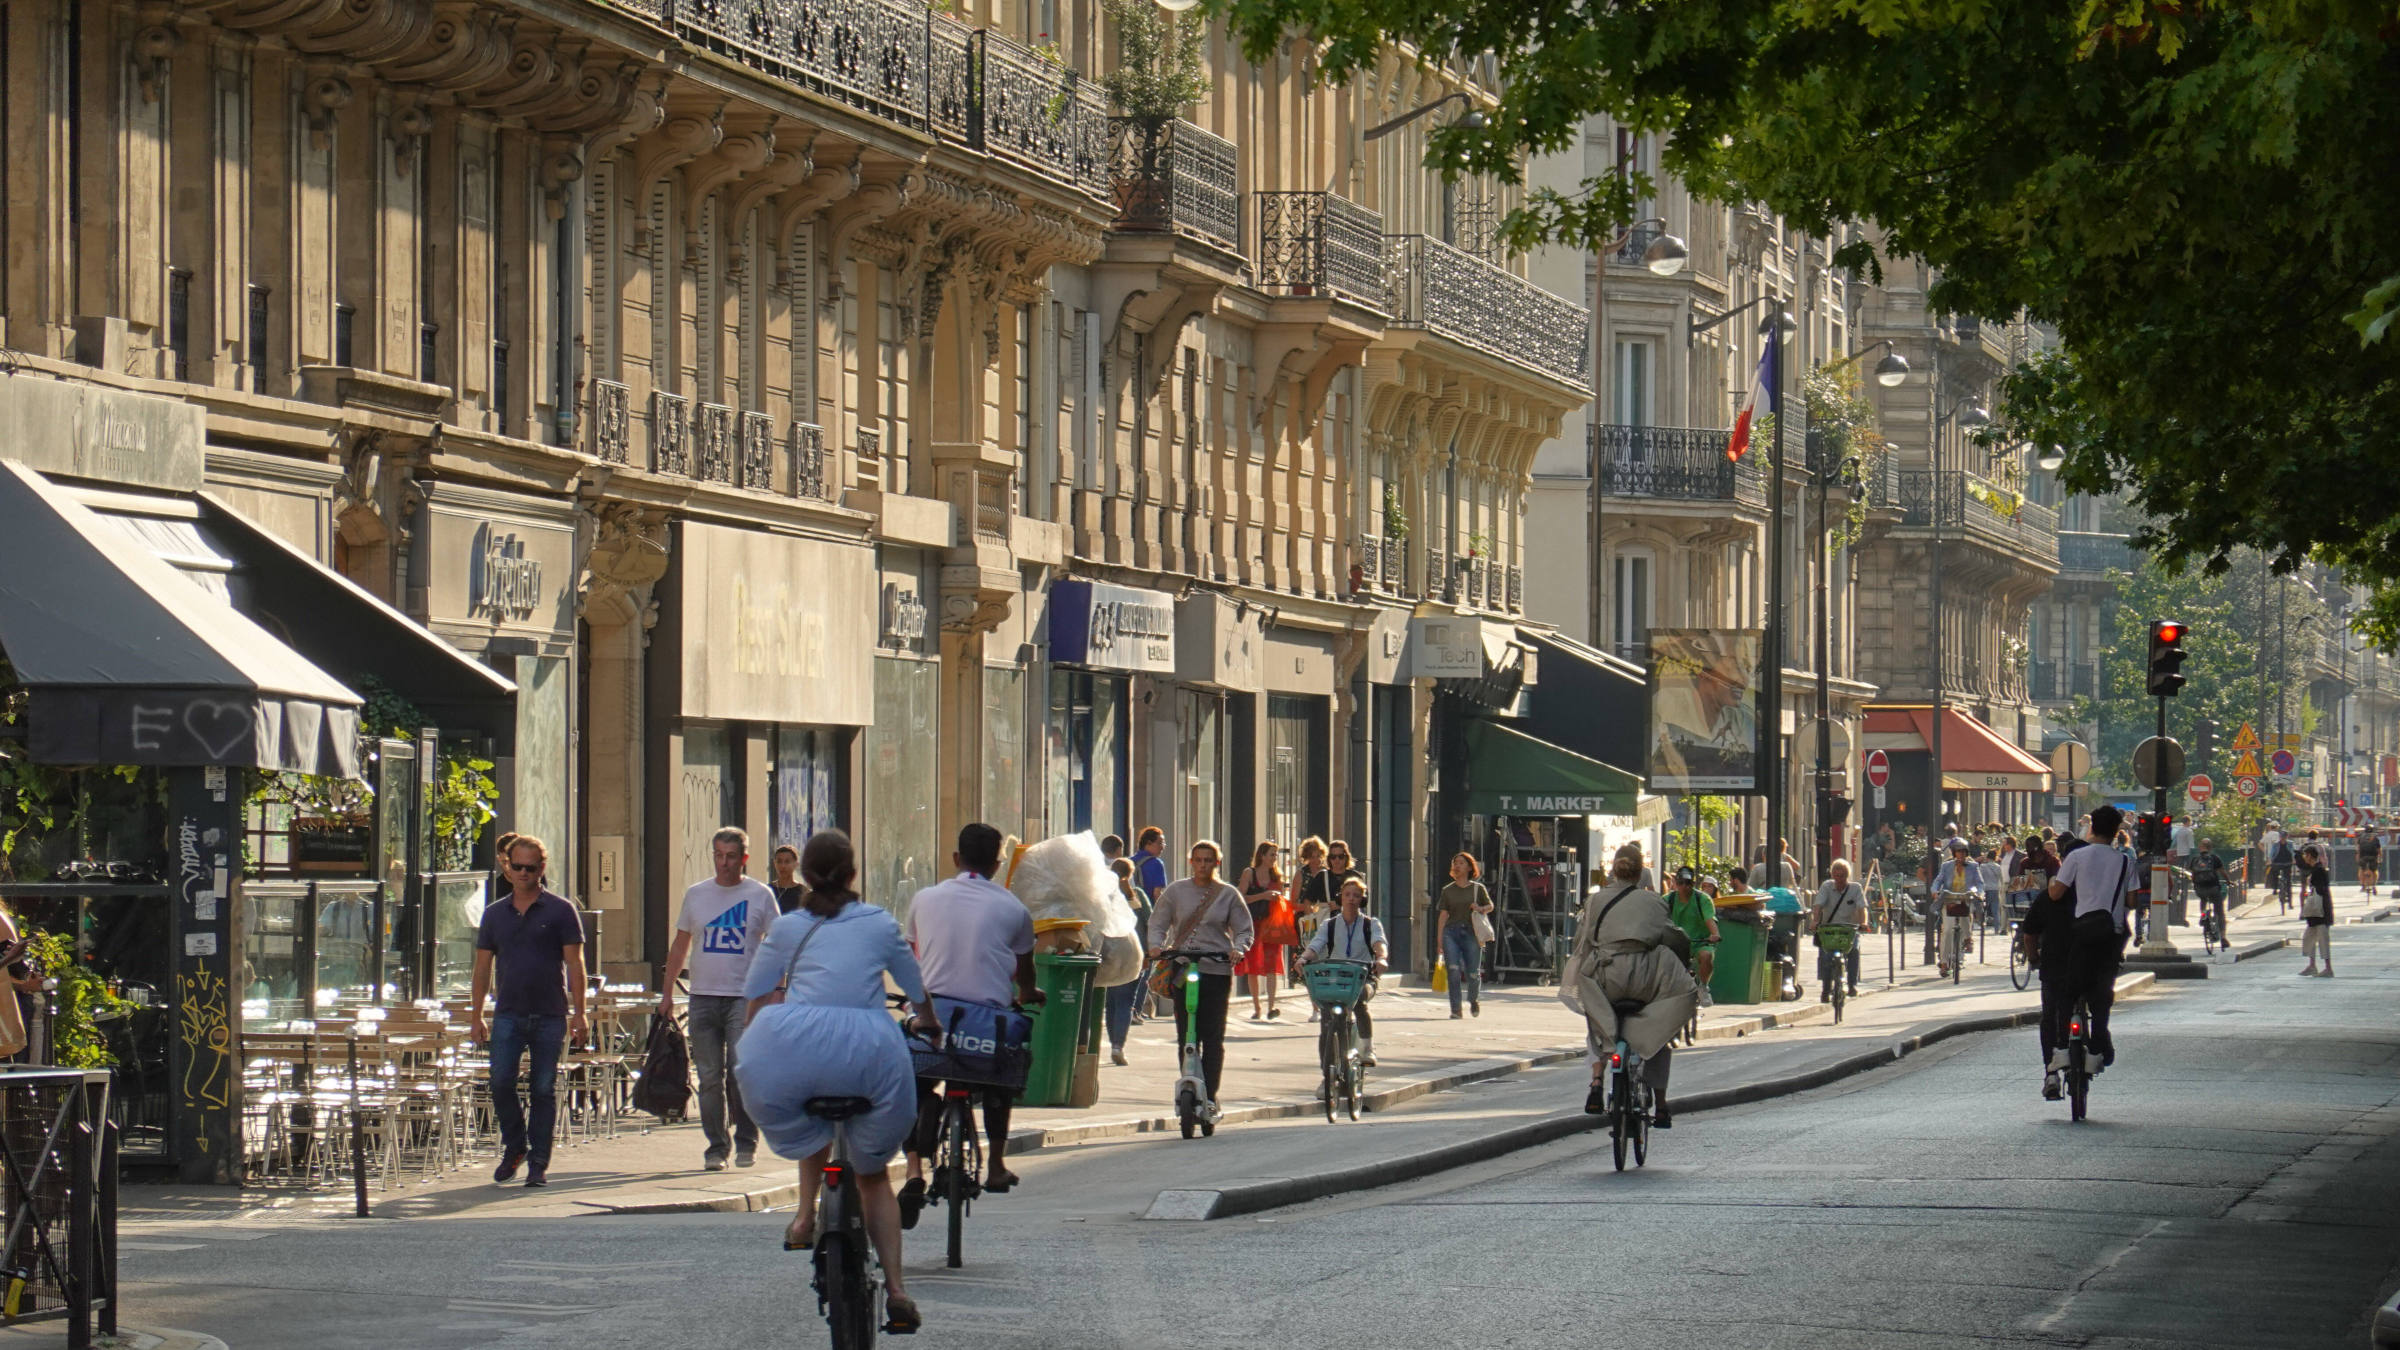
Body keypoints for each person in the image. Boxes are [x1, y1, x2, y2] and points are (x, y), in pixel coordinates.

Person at [735, 830, 937, 1335]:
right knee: (872, 1176)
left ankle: (804, 1218)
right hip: (869, 1048)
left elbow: (755, 991)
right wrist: (928, 1022)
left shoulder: (788, 928)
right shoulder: (877, 923)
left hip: (796, 1043)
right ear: (853, 875)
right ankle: (895, 1289)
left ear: (803, 876)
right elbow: (915, 991)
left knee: (808, 1116)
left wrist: (756, 1037)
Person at [902, 823, 1041, 1218]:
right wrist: (1028, 994)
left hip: (934, 1020)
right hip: (987, 1025)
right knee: (999, 1080)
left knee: (915, 1081)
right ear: (998, 864)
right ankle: (995, 1165)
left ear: (955, 859)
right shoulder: (1014, 908)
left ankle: (913, 1168)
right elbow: (1024, 970)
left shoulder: (924, 899)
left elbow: (914, 955)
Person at [469, 834, 589, 1187]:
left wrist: (579, 1012)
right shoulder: (494, 914)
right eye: (517, 866)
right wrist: (475, 1015)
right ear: (507, 866)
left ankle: (538, 1162)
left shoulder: (560, 910)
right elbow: (481, 969)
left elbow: (576, 964)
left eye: (530, 868)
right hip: (508, 1012)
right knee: (500, 1081)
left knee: (542, 1089)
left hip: (550, 1013)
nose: (523, 873)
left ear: (541, 868)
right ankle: (515, 1146)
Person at [659, 827, 777, 1172]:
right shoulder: (697, 895)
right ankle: (716, 1146)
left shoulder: (760, 895)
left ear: (744, 859)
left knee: (740, 1072)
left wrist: (777, 989)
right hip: (702, 996)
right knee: (709, 1077)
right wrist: (667, 992)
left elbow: (777, 943)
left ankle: (746, 1141)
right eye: (718, 856)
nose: (724, 864)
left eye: (730, 857)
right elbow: (680, 945)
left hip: (745, 997)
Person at [1563, 844, 1700, 1129]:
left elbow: (1583, 941)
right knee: (1660, 1033)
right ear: (1641, 873)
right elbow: (1670, 939)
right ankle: (1661, 1106)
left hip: (1607, 977)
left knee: (1597, 1023)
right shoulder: (1655, 902)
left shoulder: (1596, 900)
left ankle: (1597, 1080)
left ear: (1614, 869)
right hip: (1644, 980)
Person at [1146, 840, 1254, 1107]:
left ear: (1216, 863)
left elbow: (1244, 929)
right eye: (1198, 860)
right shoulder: (1175, 891)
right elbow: (1157, 922)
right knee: (1185, 1033)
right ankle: (1189, 1083)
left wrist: (1238, 949)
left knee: (1213, 1035)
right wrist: (1156, 946)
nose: (1203, 865)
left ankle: (1210, 1095)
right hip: (1184, 967)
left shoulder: (1228, 894)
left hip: (1216, 969)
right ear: (1191, 862)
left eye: (1209, 860)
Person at [2045, 805, 2136, 1072]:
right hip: (2111, 934)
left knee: (2068, 991)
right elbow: (2132, 899)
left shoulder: (2078, 857)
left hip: (2082, 932)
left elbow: (2057, 893)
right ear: (2117, 830)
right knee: (2102, 994)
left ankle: (2062, 1047)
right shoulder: (2125, 861)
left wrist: (2052, 883)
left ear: (2092, 827)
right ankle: (2096, 1050)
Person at [1301, 876, 1388, 1069]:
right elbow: (1316, 945)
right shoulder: (1329, 925)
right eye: (1347, 894)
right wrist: (1304, 958)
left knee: (1360, 1000)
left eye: (1356, 896)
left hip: (1362, 977)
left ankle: (1367, 1048)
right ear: (1341, 897)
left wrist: (1381, 958)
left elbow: (1379, 943)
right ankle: (1327, 1076)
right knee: (1326, 1020)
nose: (1351, 899)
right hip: (1335, 979)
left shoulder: (1370, 924)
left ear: (1362, 900)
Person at [2017, 850, 2081, 1099]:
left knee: (2050, 1018)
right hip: (2086, 966)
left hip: (2054, 966)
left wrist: (2034, 959)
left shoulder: (2047, 898)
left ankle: (2051, 1072)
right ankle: (2093, 1047)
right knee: (2080, 1008)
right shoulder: (2092, 897)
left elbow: (2029, 934)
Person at [1436, 852, 1494, 1019]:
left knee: (1473, 972)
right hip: (1451, 932)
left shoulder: (1478, 889)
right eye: (1455, 863)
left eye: (1461, 863)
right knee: (1453, 970)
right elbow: (1443, 915)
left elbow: (1490, 906)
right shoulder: (1447, 890)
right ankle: (1456, 1009)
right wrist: (1440, 939)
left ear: (1469, 867)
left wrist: (1481, 909)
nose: (1457, 866)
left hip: (1471, 933)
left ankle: (1473, 1000)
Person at [1234, 842, 1287, 1020]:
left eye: (1276, 855)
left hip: (1271, 925)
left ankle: (1271, 1005)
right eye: (1272, 854)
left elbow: (1281, 899)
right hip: (1253, 924)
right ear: (1262, 855)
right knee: (1253, 966)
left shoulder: (1277, 876)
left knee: (1272, 965)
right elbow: (1241, 898)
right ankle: (1257, 1006)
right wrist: (1263, 896)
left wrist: (1278, 898)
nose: (1274, 858)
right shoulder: (1249, 873)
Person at [1105, 857, 1145, 1064]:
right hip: (1133, 954)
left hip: (1110, 955)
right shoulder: (1137, 896)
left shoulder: (1105, 896)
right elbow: (1149, 922)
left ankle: (1114, 1042)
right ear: (1130, 874)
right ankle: (1118, 1045)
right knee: (1125, 1002)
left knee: (1111, 1001)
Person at [1808, 859, 1866, 998]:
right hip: (1829, 929)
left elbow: (1862, 908)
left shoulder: (1855, 888)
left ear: (1847, 876)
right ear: (1832, 875)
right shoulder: (1826, 886)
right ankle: (1825, 989)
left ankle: (1852, 985)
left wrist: (1863, 923)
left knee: (1854, 951)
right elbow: (1818, 906)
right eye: (1836, 876)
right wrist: (1815, 921)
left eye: (1842, 876)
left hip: (1849, 929)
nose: (1839, 879)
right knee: (1825, 955)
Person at [1664, 866, 1719, 1006]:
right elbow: (1656, 919)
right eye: (1681, 883)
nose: (1684, 887)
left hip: (1700, 942)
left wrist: (1715, 934)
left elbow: (1709, 919)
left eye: (1687, 883)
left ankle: (1703, 987)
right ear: (1676, 883)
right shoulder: (1667, 899)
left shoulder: (1703, 899)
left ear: (1693, 884)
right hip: (1676, 943)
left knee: (1706, 956)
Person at [1931, 838, 1980, 976]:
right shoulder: (1947, 866)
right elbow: (1938, 880)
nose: (1961, 855)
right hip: (1949, 899)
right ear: (1954, 853)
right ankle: (1944, 962)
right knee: (1946, 930)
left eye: (1963, 852)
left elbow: (1979, 883)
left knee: (1966, 914)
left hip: (1965, 898)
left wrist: (1978, 893)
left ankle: (1967, 938)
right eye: (1958, 852)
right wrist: (1935, 891)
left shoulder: (1973, 866)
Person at [2298, 843, 2335, 976]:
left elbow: (2320, 891)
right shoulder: (2316, 869)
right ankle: (2312, 965)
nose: (2304, 858)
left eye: (2305, 855)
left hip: (2320, 911)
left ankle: (2328, 968)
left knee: (2323, 939)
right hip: (2316, 911)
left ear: (2309, 856)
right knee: (2310, 938)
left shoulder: (2319, 870)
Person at [2190, 835, 2228, 941]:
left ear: (2200, 847)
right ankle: (2223, 937)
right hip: (2213, 888)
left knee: (2203, 899)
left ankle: (2203, 914)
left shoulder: (2195, 859)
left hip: (2200, 889)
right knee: (2220, 912)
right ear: (2210, 848)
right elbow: (2222, 872)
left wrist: (2195, 884)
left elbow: (2193, 875)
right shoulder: (2214, 858)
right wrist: (2229, 881)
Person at [769, 844, 806, 915]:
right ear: (774, 863)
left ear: (796, 864)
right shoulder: (768, 891)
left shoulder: (803, 892)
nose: (783, 866)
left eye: (787, 862)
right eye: (779, 861)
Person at [2267, 827, 2296, 912]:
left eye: (2284, 837)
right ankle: (2275, 888)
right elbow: (2272, 853)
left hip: (2287, 863)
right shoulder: (2275, 844)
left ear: (2287, 837)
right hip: (2277, 862)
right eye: (2281, 837)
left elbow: (2293, 853)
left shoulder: (2290, 844)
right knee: (2274, 874)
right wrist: (2270, 860)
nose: (2282, 838)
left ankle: (2290, 902)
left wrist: (2294, 859)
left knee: (2288, 883)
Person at [2358, 826, 2382, 898]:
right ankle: (2374, 885)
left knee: (2362, 869)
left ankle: (2363, 885)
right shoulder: (2375, 838)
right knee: (2374, 870)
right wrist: (2380, 858)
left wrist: (2358, 858)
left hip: (2363, 857)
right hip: (2373, 857)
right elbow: (2379, 849)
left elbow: (2358, 849)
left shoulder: (2361, 838)